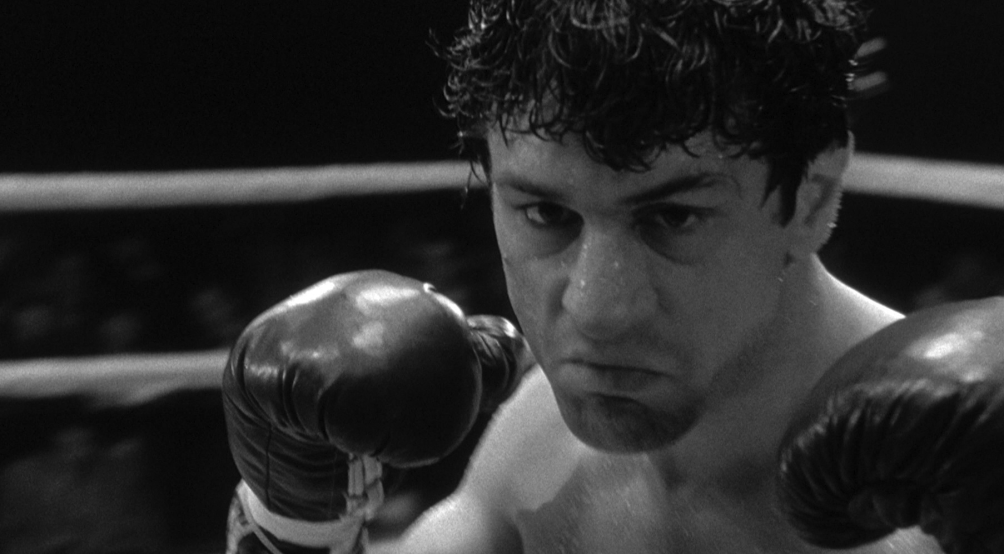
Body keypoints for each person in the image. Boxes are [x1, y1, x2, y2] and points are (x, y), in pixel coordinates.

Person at [222, 1, 1004, 553]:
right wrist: (293, 525)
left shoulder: (933, 508)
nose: (595, 311)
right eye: (545, 215)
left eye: (672, 219)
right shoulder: (537, 457)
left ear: (812, 195)